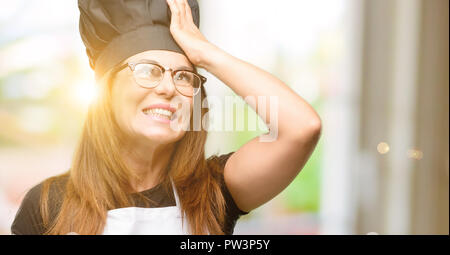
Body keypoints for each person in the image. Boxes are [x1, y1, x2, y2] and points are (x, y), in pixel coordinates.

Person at [11, 0, 322, 235]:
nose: (168, 87)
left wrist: (205, 54)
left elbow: (301, 128)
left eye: (185, 76)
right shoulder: (47, 205)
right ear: (106, 92)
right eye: (148, 70)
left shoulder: (213, 193)